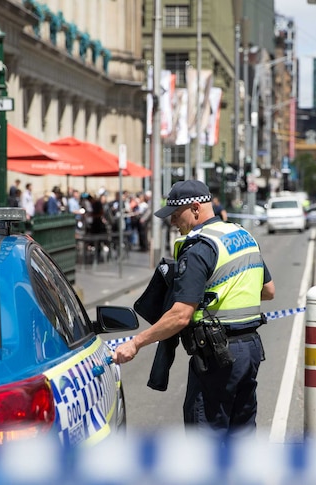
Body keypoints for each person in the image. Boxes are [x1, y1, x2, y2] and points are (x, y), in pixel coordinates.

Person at [113, 180, 275, 435]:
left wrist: (135, 343)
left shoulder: (199, 248)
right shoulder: (242, 235)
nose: (173, 223)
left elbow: (180, 315)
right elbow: (268, 291)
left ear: (196, 208)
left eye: (176, 216)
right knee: (241, 434)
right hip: (250, 349)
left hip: (217, 356)